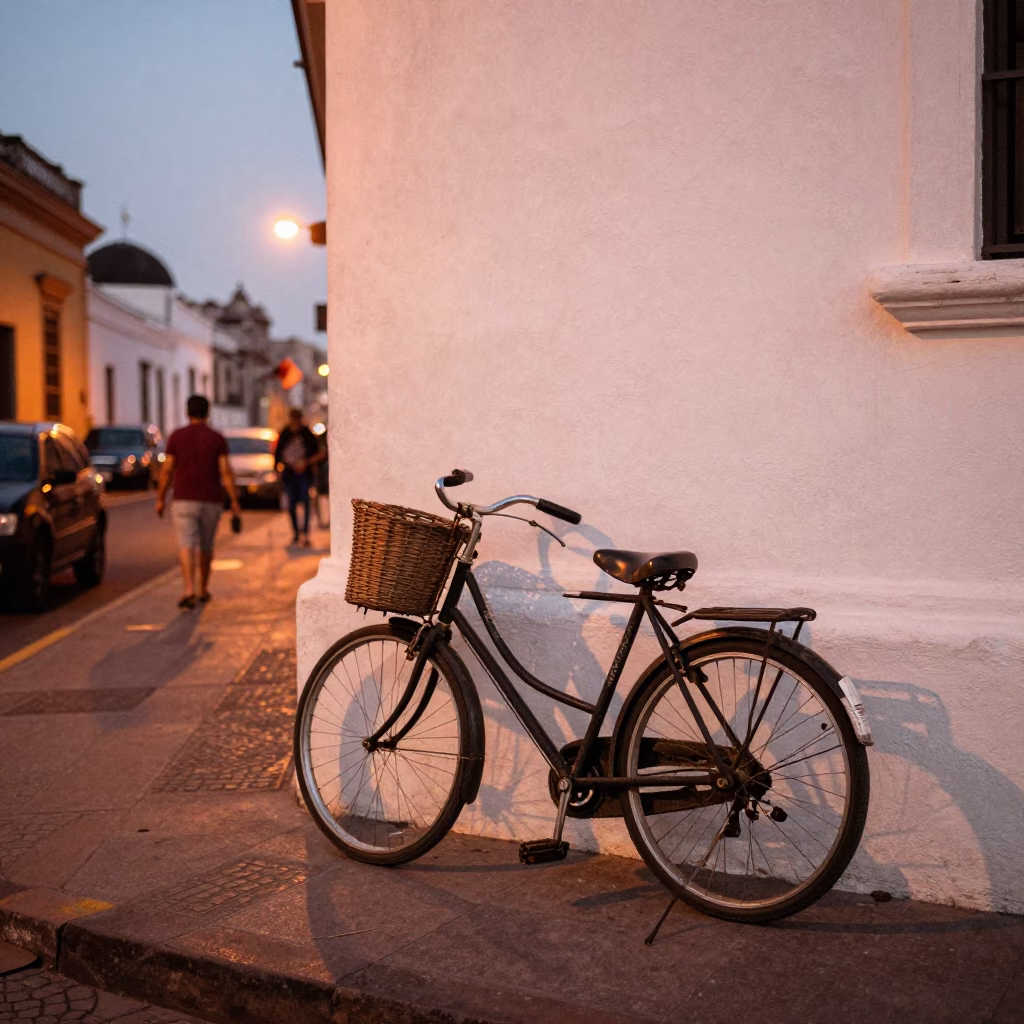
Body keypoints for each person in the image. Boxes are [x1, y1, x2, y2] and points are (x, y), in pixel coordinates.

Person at [155, 394, 241, 609]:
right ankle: (203, 589)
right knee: (206, 545)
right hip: (211, 499)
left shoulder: (177, 436)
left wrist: (160, 498)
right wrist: (234, 501)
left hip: (183, 498)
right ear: (207, 412)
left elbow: (167, 471)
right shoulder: (216, 438)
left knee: (186, 544)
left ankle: (188, 589)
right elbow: (226, 472)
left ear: (187, 412)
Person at [274, 407, 323, 546]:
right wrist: (277, 470)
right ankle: (296, 533)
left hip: (304, 474)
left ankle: (305, 533)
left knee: (306, 503)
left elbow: (319, 453)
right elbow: (278, 454)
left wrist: (306, 463)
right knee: (291, 504)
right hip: (289, 474)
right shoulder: (285, 434)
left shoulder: (307, 434)